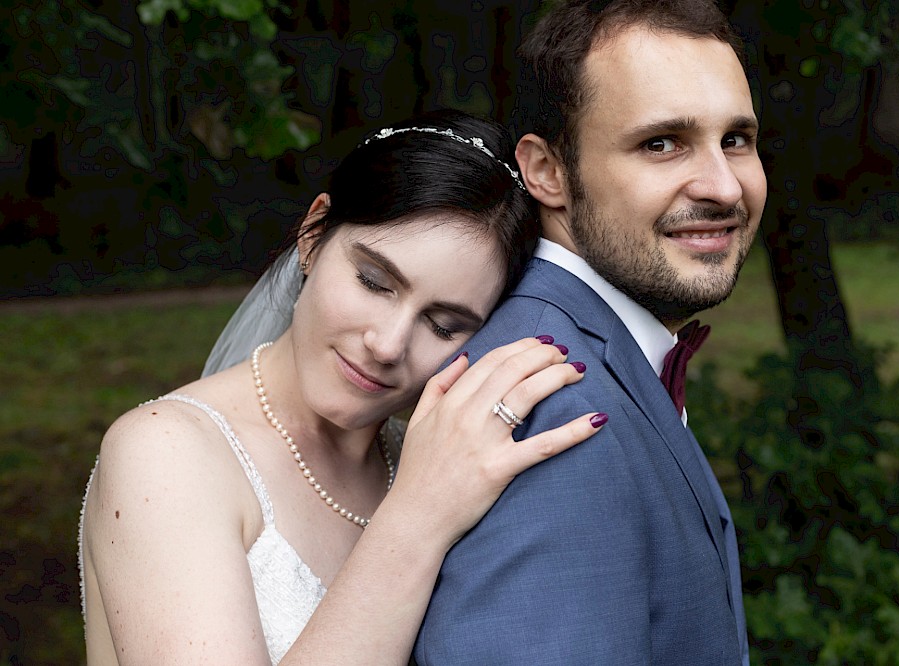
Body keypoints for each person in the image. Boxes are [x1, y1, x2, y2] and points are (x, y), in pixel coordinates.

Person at [77, 109, 608, 664]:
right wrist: (418, 519)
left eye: (443, 324)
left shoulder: (439, 462)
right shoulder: (166, 454)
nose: (387, 344)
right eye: (374, 281)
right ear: (313, 235)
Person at [415, 1, 766, 664]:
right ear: (547, 171)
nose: (724, 186)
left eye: (737, 140)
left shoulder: (591, 354)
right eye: (661, 143)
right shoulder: (553, 407)